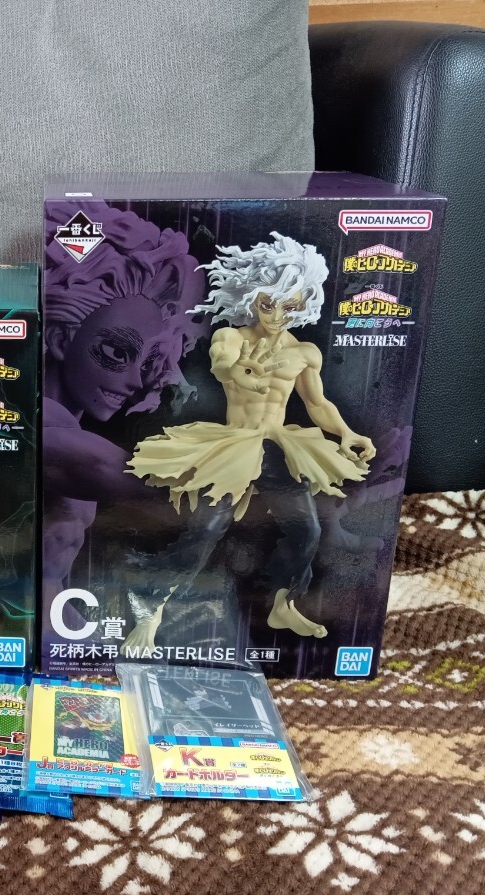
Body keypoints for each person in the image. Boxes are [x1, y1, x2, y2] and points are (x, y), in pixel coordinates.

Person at [127, 232, 375, 642]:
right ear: (252, 297)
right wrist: (242, 373)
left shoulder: (305, 352)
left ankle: (282, 605)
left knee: (307, 530)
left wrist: (346, 432)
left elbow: (317, 404)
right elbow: (223, 366)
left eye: (289, 306)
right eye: (267, 303)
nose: (276, 315)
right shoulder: (232, 337)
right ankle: (151, 608)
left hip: (279, 445)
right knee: (207, 529)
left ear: (304, 303)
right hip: (234, 445)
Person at [42, 203, 202, 615]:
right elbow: (109, 470)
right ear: (60, 339)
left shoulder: (71, 430)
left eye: (147, 362)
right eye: (117, 352)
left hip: (52, 627)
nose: (135, 382)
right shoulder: (36, 423)